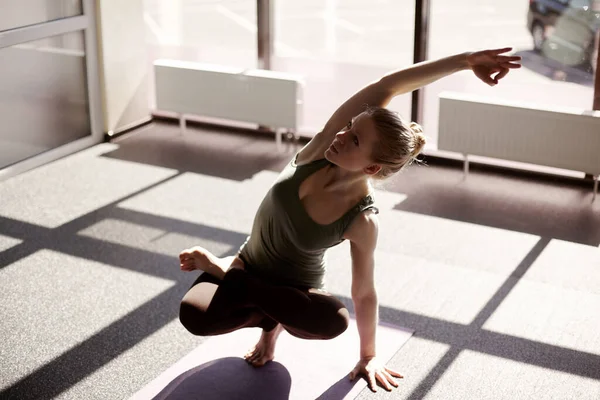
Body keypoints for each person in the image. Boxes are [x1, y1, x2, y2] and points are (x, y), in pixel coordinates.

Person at [178, 48, 521, 392]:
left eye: (354, 139)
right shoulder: (319, 150)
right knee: (195, 315)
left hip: (295, 293)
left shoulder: (362, 220)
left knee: (332, 321)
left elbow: (364, 292)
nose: (342, 135)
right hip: (250, 267)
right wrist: (464, 61)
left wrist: (369, 355)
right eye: (349, 126)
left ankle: (238, 285)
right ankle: (263, 311)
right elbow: (389, 85)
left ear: (371, 168)